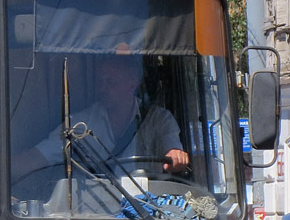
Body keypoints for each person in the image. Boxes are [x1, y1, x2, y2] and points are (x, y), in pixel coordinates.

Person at [13, 53, 189, 182]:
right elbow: (38, 156)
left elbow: (173, 152)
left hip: (146, 210)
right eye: (100, 82)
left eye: (111, 82)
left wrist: (175, 156)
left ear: (131, 85)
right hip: (98, 215)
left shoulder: (159, 120)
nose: (103, 89)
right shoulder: (79, 124)